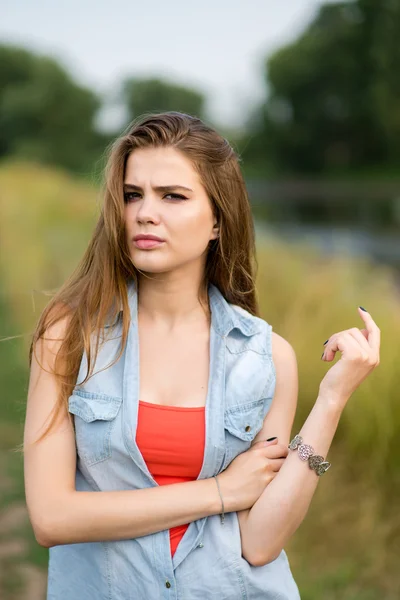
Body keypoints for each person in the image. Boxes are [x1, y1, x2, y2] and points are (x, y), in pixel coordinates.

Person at [23, 111, 380, 599]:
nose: (146, 212)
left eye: (173, 196)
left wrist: (332, 401)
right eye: (133, 194)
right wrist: (219, 493)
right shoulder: (69, 336)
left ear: (217, 219)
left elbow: (259, 544)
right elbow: (51, 518)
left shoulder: (265, 356)